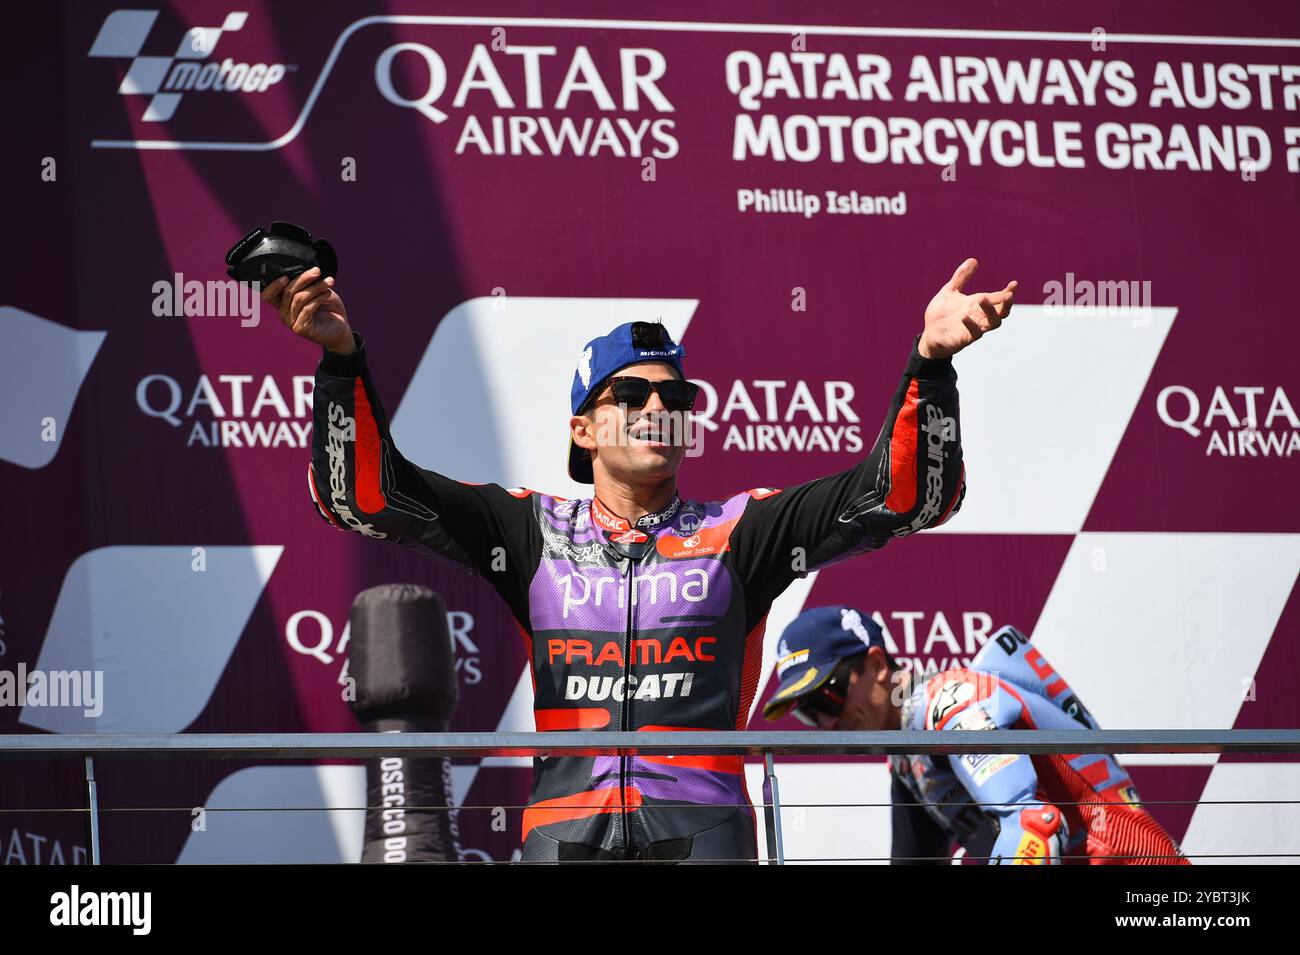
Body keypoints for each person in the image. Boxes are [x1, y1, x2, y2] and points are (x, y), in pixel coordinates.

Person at [263, 258, 1015, 863]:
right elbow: (360, 497)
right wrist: (340, 360)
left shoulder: (739, 531)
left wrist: (931, 366)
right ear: (583, 431)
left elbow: (908, 496)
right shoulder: (531, 530)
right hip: (563, 834)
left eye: (674, 396)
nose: (658, 407)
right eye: (629, 393)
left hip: (703, 832)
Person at [763, 606, 1190, 864]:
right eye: (807, 713)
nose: (827, 724)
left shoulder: (953, 701)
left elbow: (1032, 827)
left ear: (876, 665)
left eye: (829, 699)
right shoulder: (908, 751)